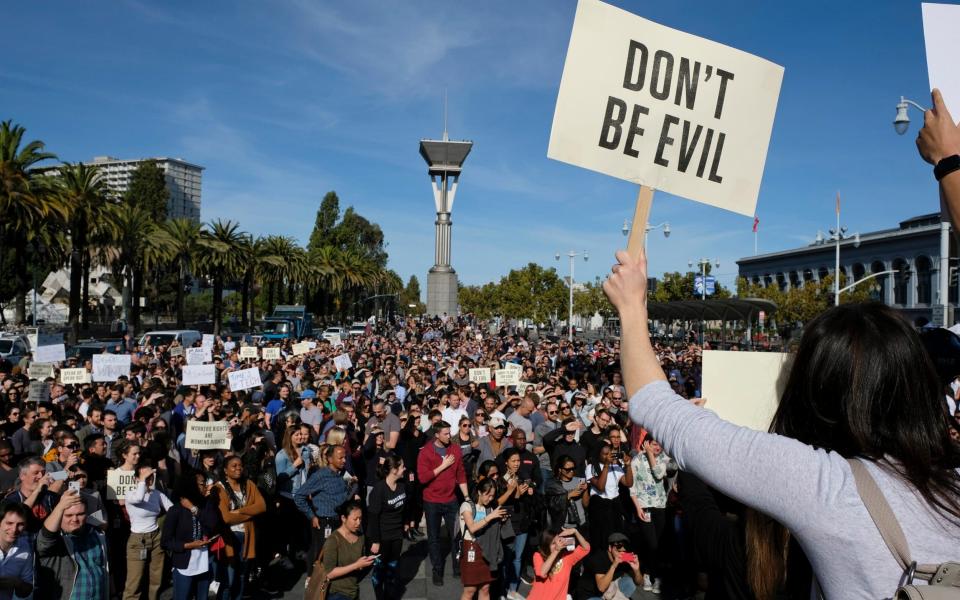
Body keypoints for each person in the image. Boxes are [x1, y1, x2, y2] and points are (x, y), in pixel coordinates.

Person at [603, 248, 960, 597]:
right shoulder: (950, 483)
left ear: (815, 391)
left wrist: (632, 307)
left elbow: (653, 402)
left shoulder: (828, 486)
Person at [416, 420, 468, 586]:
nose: (449, 436)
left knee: (456, 536)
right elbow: (423, 478)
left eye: (449, 432)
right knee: (434, 538)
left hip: (451, 499)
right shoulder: (425, 452)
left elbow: (461, 475)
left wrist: (466, 497)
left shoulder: (455, 449)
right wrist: (443, 465)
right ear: (436, 434)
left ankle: (457, 567)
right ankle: (437, 570)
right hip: (431, 501)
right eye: (445, 433)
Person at [36, 489, 110, 600]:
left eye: (80, 514)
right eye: (69, 515)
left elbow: (106, 569)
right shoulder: (56, 541)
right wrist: (61, 506)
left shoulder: (98, 536)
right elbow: (46, 538)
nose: (74, 519)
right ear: (59, 515)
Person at [162, 471, 221, 600]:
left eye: (205, 483)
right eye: (201, 484)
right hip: (184, 564)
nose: (205, 486)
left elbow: (213, 524)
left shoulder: (206, 505)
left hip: (204, 562)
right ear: (191, 486)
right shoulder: (176, 510)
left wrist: (194, 508)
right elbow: (166, 541)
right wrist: (189, 545)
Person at [215, 455, 266, 600]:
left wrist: (240, 511)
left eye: (240, 465)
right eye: (234, 466)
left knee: (242, 576)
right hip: (230, 537)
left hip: (247, 535)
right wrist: (250, 513)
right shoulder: (219, 488)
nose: (238, 468)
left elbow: (262, 506)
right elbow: (226, 517)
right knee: (229, 578)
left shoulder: (249, 484)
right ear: (225, 470)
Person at [295, 444, 352, 571]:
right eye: (340, 458)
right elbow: (299, 496)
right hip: (324, 522)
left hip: (339, 520)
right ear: (330, 459)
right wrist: (312, 516)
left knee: (335, 553)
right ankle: (311, 579)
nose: (344, 460)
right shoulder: (320, 475)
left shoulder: (342, 474)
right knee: (319, 552)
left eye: (345, 457)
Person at [629, 435, 672, 594]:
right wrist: (637, 507)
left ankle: (655, 576)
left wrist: (651, 454)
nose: (657, 448)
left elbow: (659, 474)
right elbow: (632, 487)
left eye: (659, 445)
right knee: (651, 543)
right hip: (644, 506)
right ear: (646, 443)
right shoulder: (637, 460)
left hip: (660, 505)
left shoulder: (662, 459)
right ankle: (648, 574)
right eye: (654, 444)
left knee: (658, 544)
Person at [123, 464, 173, 600]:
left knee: (156, 580)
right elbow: (139, 498)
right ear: (136, 479)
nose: (149, 480)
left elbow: (172, 509)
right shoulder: (130, 494)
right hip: (138, 540)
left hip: (156, 536)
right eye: (145, 477)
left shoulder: (157, 494)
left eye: (150, 477)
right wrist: (142, 481)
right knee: (134, 582)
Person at [366, 455, 406, 600]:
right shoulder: (379, 489)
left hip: (397, 535)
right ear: (394, 470)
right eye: (402, 467)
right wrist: (375, 541)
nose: (404, 469)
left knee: (392, 568)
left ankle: (389, 596)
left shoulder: (402, 485)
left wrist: (406, 524)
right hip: (382, 537)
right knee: (379, 571)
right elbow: (373, 517)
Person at [458, 478, 506, 600]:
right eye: (487, 495)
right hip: (472, 548)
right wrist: (491, 516)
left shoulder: (490, 507)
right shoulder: (467, 506)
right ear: (479, 492)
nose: (490, 499)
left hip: (488, 548)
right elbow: (472, 528)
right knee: (470, 590)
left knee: (485, 588)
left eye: (492, 496)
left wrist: (501, 519)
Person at [321, 500, 375, 600]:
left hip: (354, 591)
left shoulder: (361, 537)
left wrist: (366, 562)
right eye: (355, 519)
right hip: (337, 594)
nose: (358, 522)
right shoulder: (333, 541)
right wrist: (356, 565)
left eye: (360, 518)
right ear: (343, 518)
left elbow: (359, 564)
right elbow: (329, 573)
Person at [584, 442, 632, 550]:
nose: (608, 456)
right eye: (605, 454)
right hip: (599, 506)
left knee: (617, 537)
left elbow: (628, 483)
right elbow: (600, 487)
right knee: (601, 538)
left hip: (615, 505)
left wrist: (628, 465)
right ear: (598, 454)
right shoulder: (591, 467)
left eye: (609, 453)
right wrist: (606, 466)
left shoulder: (616, 466)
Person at [574, 532, 644, 600]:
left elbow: (639, 583)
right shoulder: (598, 557)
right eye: (618, 547)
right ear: (610, 548)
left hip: (608, 591)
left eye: (624, 546)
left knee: (629, 582)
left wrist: (636, 570)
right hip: (590, 594)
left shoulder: (625, 557)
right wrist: (614, 566)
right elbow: (601, 588)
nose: (622, 550)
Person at [527, 527, 590, 600]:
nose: (557, 544)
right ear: (546, 545)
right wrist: (556, 551)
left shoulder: (567, 557)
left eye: (558, 540)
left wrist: (575, 532)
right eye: (554, 543)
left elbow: (586, 548)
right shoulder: (538, 556)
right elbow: (542, 573)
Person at [0, 503, 34, 600]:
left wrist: (17, 583)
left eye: (20, 524)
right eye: (9, 523)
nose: (14, 529)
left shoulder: (25, 550)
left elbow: (26, 590)